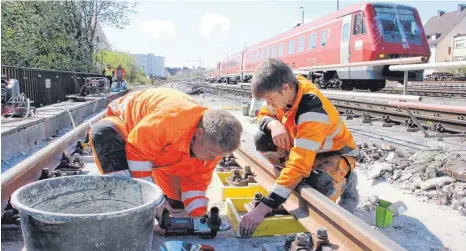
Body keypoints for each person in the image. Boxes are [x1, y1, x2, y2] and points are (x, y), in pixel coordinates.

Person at [239, 58, 360, 238]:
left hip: (333, 154)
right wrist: (274, 125)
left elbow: (298, 166)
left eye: (270, 99)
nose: (269, 104)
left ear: (285, 88)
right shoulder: (284, 93)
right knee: (262, 138)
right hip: (306, 148)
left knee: (320, 185)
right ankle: (288, 184)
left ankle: (347, 179)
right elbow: (263, 115)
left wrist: (263, 208)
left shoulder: (312, 110)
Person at [88, 87, 243, 222]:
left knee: (175, 205)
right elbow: (137, 153)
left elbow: (196, 184)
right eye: (211, 153)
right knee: (103, 134)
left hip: (160, 152)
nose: (212, 159)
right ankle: (125, 204)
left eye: (217, 156)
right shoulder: (169, 121)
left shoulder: (211, 149)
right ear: (199, 133)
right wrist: (154, 200)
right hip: (128, 128)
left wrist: (198, 218)